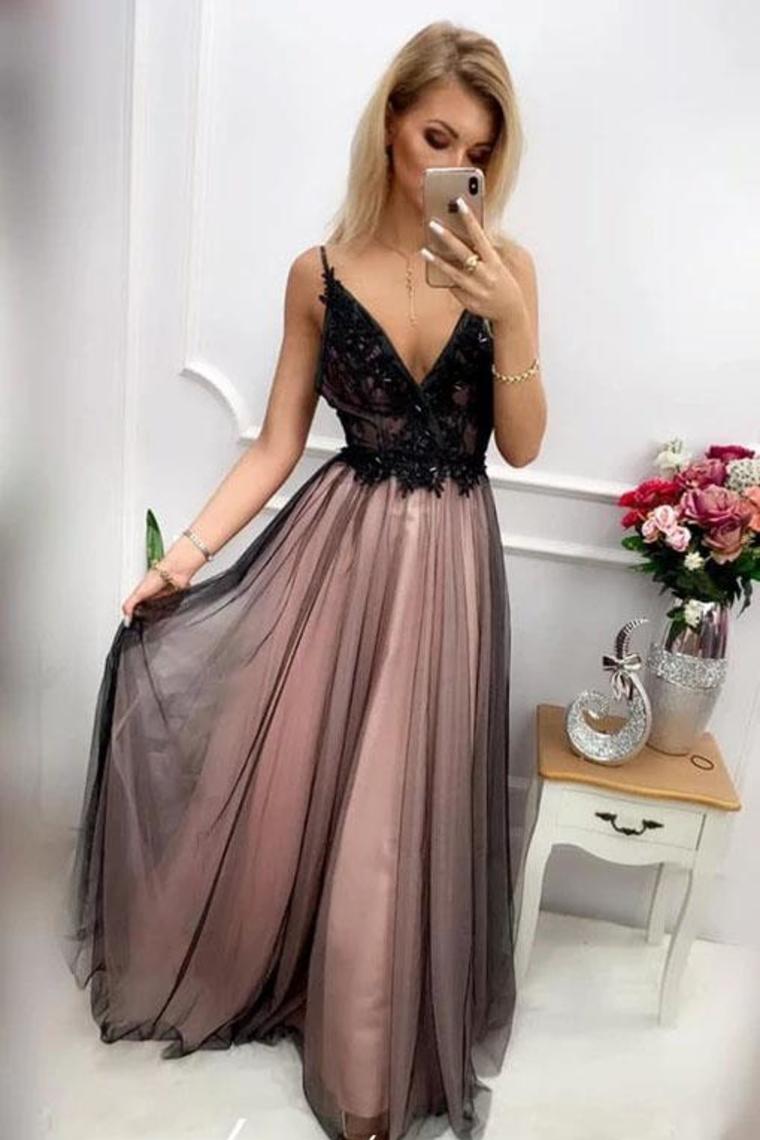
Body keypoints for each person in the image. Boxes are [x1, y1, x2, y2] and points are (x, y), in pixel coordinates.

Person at [62, 18, 547, 1140]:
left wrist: (512, 319)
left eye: (477, 152)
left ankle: (375, 1050)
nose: (454, 168)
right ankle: (338, 1031)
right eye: (436, 138)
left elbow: (521, 448)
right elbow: (278, 443)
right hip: (346, 555)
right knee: (340, 790)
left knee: (410, 791)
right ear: (389, 127)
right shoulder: (317, 277)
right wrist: (182, 558)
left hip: (454, 567)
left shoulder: (509, 271)